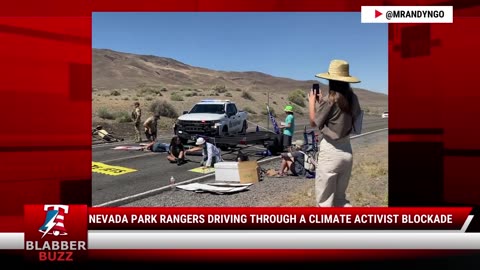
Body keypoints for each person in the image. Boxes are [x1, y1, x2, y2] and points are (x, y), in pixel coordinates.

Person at [309, 59, 362, 207]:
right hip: (347, 152)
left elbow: (314, 122)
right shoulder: (353, 99)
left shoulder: (329, 99)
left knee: (325, 202)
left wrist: (312, 102)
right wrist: (322, 103)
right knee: (340, 200)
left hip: (330, 153)